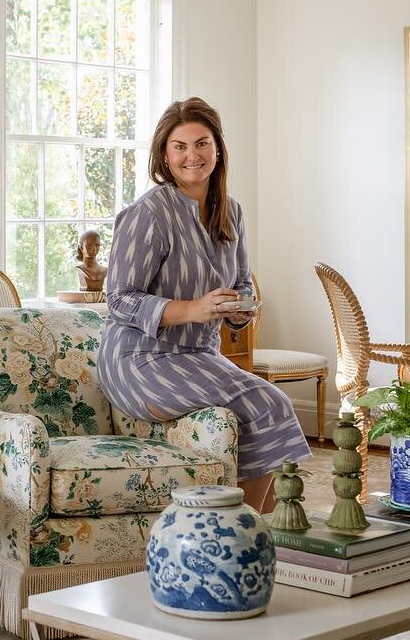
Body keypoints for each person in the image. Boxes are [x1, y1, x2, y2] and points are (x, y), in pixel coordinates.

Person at [98, 97, 311, 510]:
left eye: (201, 144)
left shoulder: (231, 212)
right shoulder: (149, 214)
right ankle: (243, 532)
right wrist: (193, 309)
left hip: (198, 355)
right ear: (164, 153)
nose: (192, 156)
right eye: (179, 146)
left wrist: (240, 310)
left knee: (271, 407)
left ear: (217, 149)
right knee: (269, 402)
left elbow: (241, 285)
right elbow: (119, 300)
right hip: (137, 359)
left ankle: (256, 535)